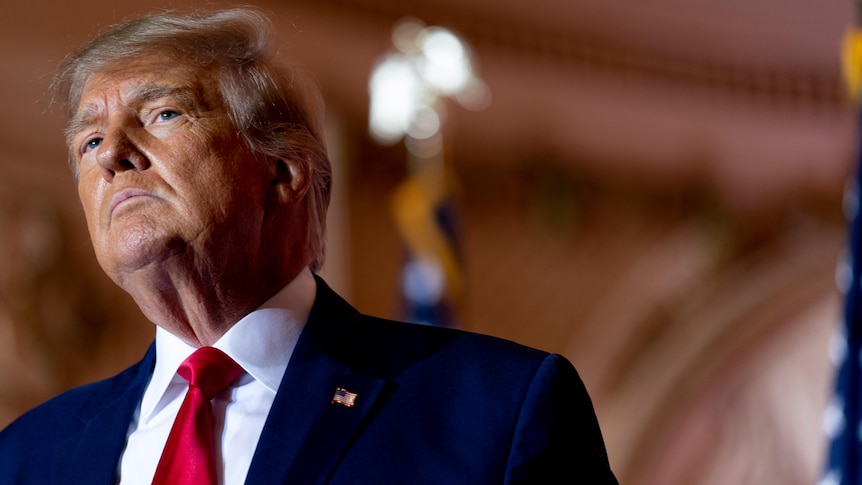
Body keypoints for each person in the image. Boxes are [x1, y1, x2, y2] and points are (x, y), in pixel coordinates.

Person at [0, 8, 617, 484]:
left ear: (283, 174)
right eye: (88, 142)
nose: (111, 154)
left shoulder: (495, 411)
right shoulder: (28, 455)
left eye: (162, 114)